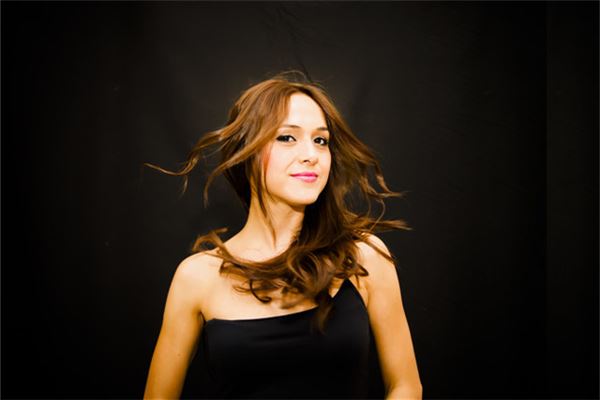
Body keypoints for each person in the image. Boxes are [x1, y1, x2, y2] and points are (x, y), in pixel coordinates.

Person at [143, 71, 422, 399]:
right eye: (287, 137)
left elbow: (406, 386)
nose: (311, 155)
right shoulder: (198, 277)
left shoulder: (364, 257)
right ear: (247, 151)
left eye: (321, 140)